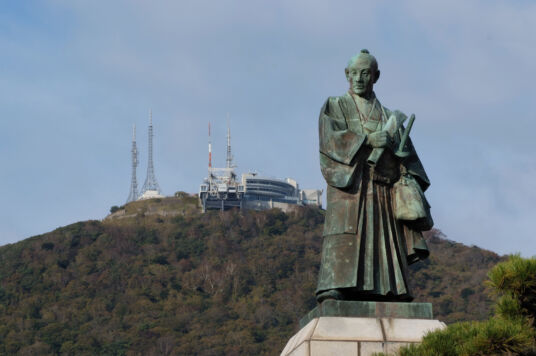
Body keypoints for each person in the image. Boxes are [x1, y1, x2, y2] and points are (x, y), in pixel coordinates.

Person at [316, 49, 431, 303]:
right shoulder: (335, 106)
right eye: (354, 73)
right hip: (351, 186)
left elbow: (410, 162)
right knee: (347, 236)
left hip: (383, 188)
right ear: (347, 74)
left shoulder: (390, 117)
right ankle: (336, 285)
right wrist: (367, 139)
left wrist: (396, 150)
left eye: (365, 73)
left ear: (375, 76)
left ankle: (389, 288)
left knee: (384, 241)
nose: (358, 78)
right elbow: (330, 141)